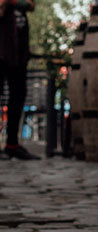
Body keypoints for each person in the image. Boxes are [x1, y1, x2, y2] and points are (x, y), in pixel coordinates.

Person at [0, 0, 39, 160]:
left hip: (18, 54)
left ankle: (12, 145)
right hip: (2, 52)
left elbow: (31, 5)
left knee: (18, 96)